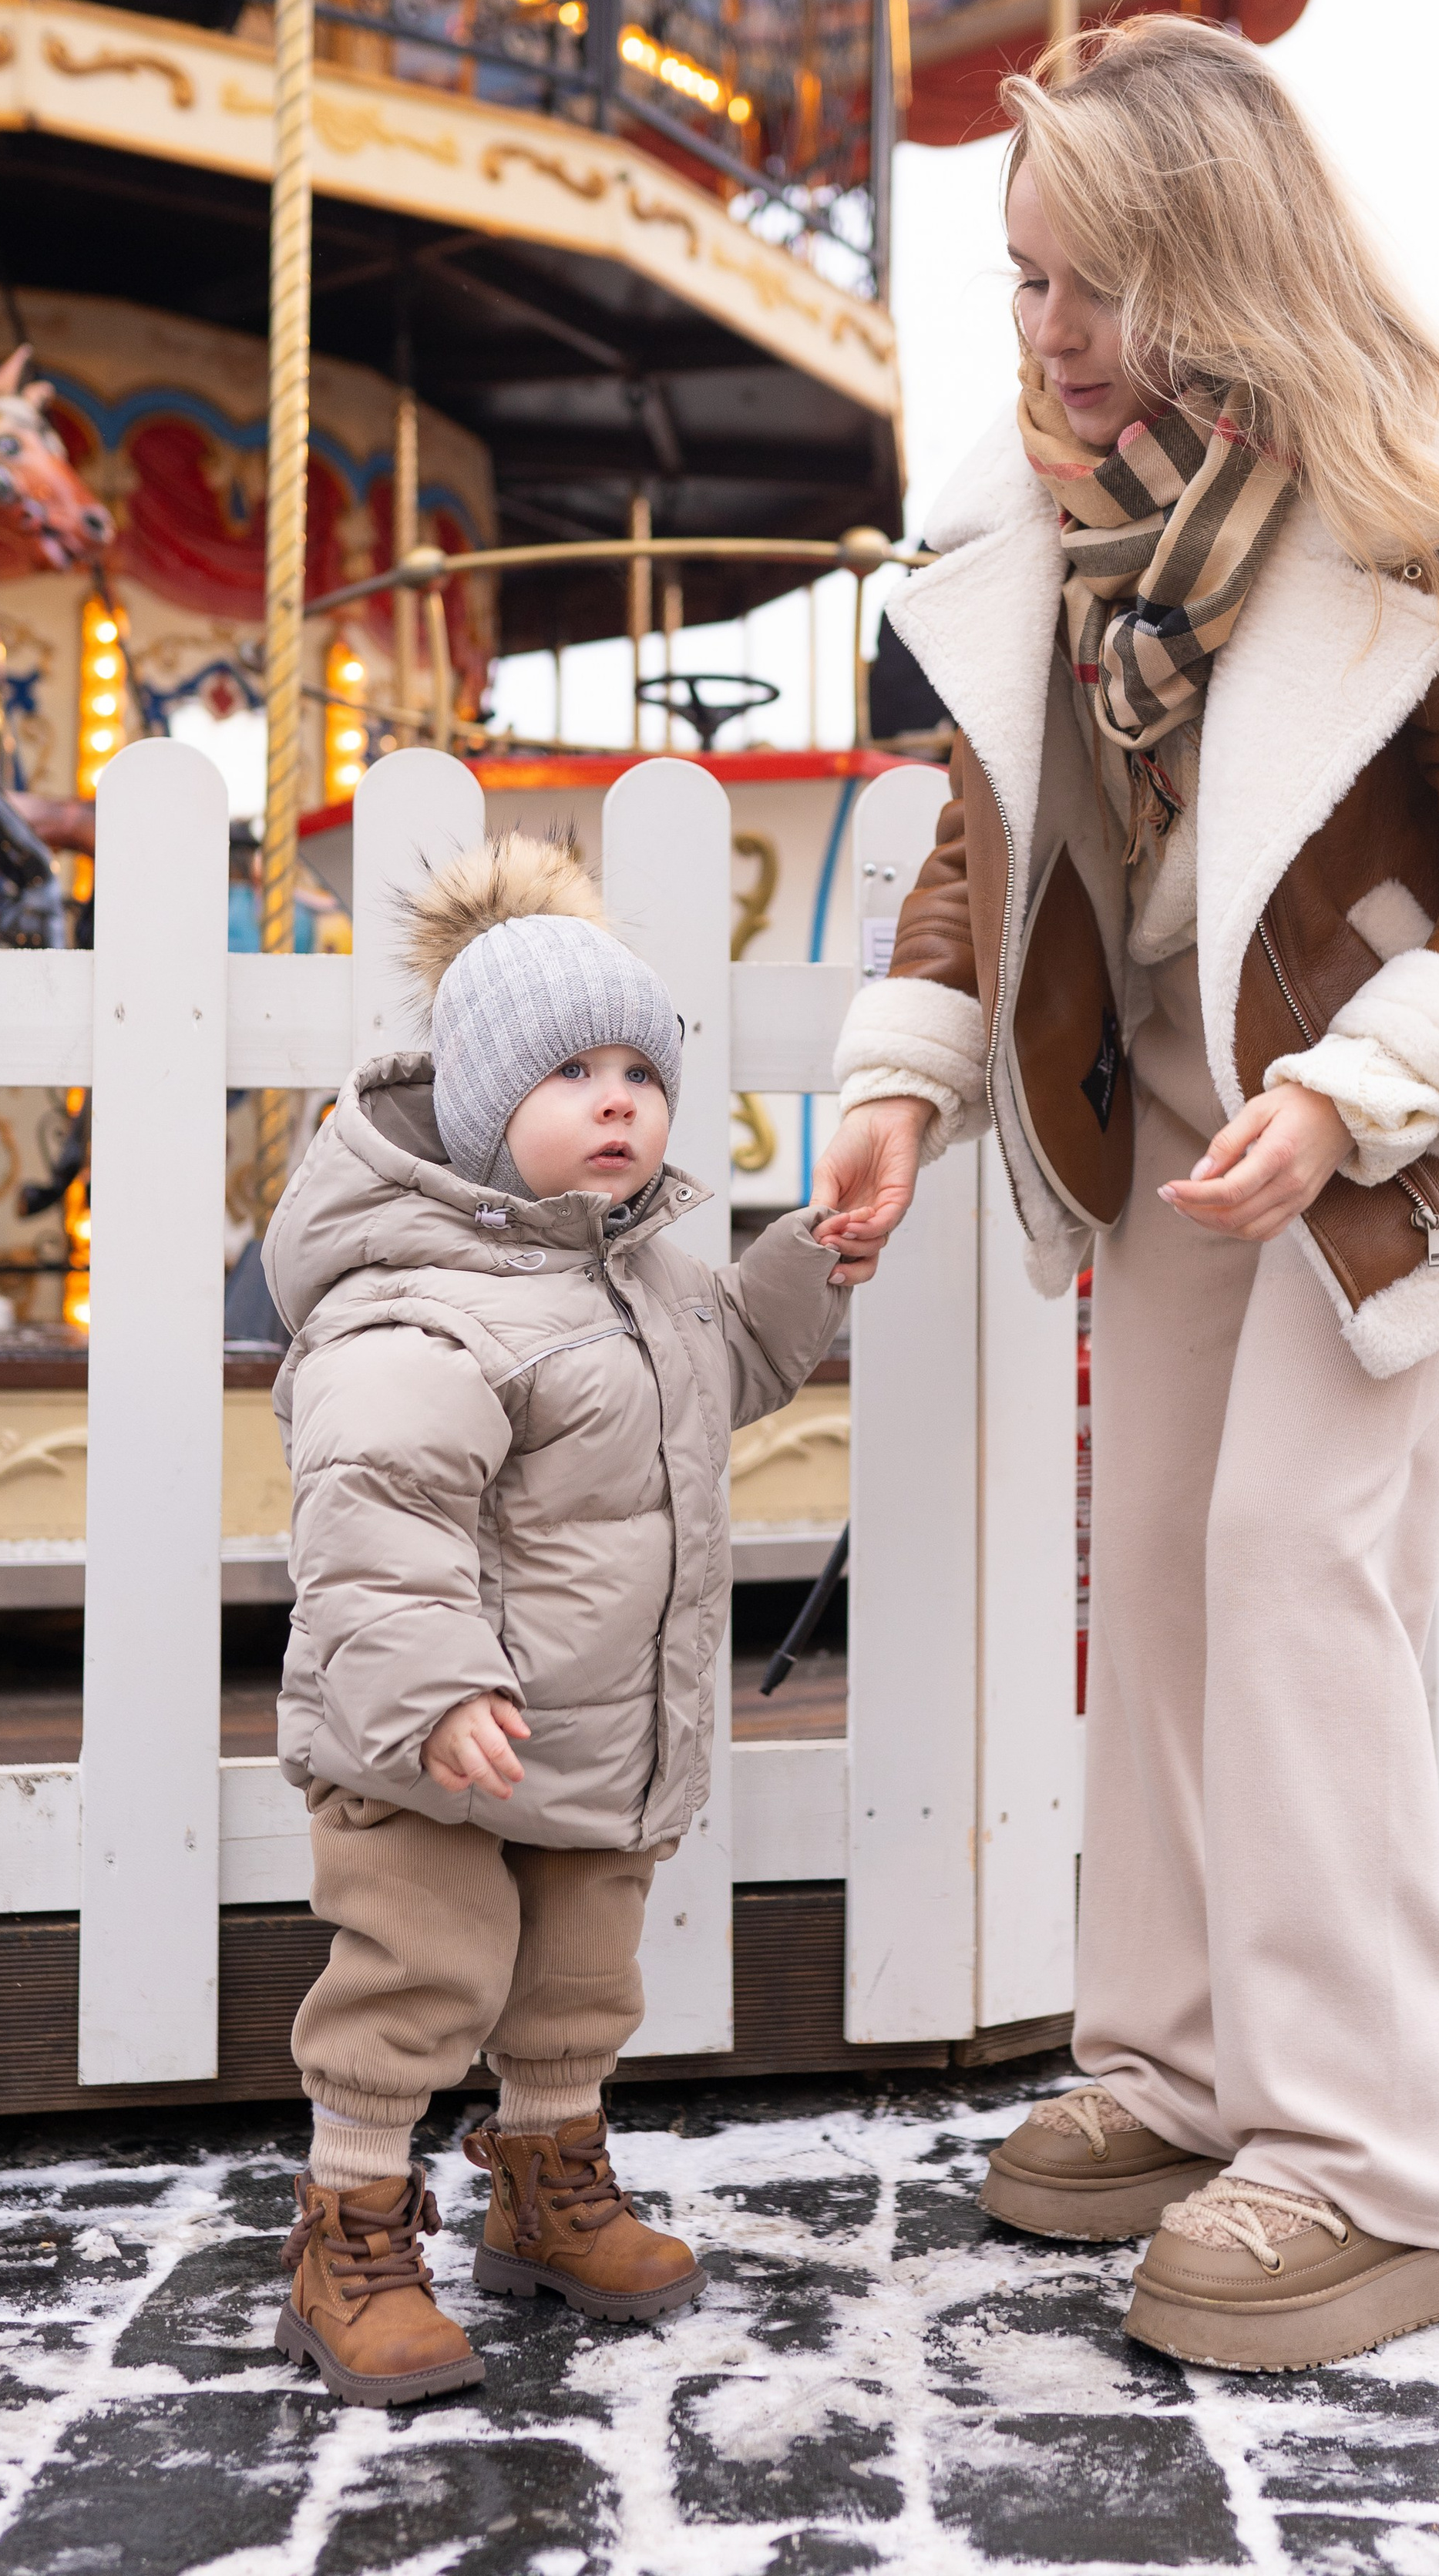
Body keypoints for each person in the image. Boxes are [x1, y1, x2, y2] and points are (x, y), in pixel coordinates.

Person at [815, 15, 1439, 2374]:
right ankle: (1184, 2067)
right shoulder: (1053, 516)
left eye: (1093, 285)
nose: (1053, 339)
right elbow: (999, 845)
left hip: (1403, 1123)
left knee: (1299, 1567)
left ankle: (1376, 2165)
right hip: (1190, 1108)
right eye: (1022, 284)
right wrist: (911, 1077)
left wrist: (1366, 1088)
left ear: (1219, 263)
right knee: (1168, 1570)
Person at [264, 834, 844, 2406]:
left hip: (590, 1725)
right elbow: (374, 1517)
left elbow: (712, 1380)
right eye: (569, 1073)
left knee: (578, 1979)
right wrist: (439, 1685)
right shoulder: (412, 1298)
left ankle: (545, 2180)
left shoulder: (640, 1271)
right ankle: (353, 2224)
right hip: (428, 1736)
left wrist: (800, 1267)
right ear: (474, 1107)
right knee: (414, 1974)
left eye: (638, 1073)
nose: (617, 1102)